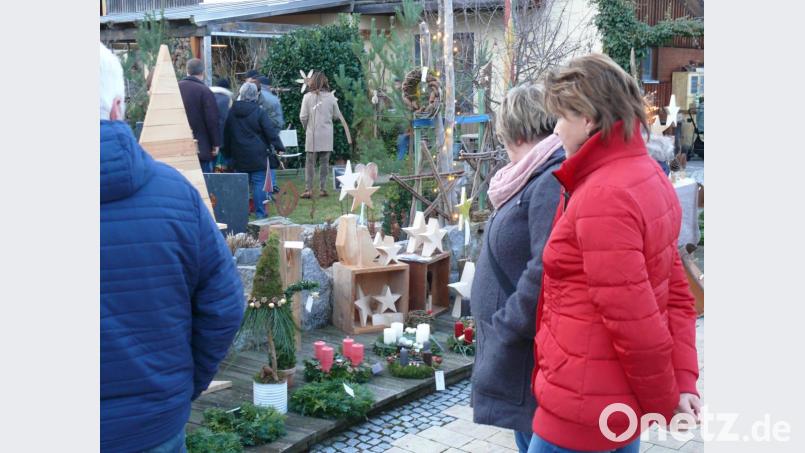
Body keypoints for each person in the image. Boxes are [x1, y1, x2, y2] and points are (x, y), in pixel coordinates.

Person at [528, 53, 700, 453]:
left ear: (587, 119)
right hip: (611, 405)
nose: (554, 129)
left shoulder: (604, 195)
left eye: (561, 116)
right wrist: (682, 379)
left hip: (582, 414)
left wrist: (666, 401)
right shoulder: (645, 175)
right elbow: (675, 290)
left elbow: (634, 321)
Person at [100, 43, 244, 453]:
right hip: (154, 424)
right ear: (117, 108)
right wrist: (182, 383)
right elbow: (225, 306)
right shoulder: (177, 195)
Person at [469, 84, 564, 453]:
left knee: (534, 439)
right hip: (516, 348)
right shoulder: (533, 173)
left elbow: (545, 268)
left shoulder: (548, 179)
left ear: (518, 132)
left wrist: (508, 325)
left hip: (526, 348)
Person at [223, 82, 286, 219]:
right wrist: (279, 147)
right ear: (255, 96)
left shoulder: (231, 112)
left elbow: (226, 135)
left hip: (238, 155)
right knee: (259, 185)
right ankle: (260, 214)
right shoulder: (259, 112)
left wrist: (227, 154)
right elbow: (270, 131)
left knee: (242, 186)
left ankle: (241, 215)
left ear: (240, 94)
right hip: (258, 155)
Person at [299, 71, 351, 198]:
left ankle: (308, 189)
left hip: (312, 134)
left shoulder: (307, 97)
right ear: (325, 82)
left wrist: (307, 128)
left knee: (310, 163)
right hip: (326, 134)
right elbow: (336, 115)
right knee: (324, 163)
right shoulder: (331, 98)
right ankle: (322, 189)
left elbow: (303, 117)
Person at [178, 58, 220, 173]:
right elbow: (212, 120)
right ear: (202, 73)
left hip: (178, 147)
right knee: (204, 185)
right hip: (201, 148)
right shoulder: (205, 91)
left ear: (187, 71)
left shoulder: (175, 89)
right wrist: (216, 143)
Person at [210, 77, 234, 171]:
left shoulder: (208, 96)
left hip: (208, 139)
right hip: (223, 139)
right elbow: (225, 120)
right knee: (223, 167)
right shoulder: (227, 99)